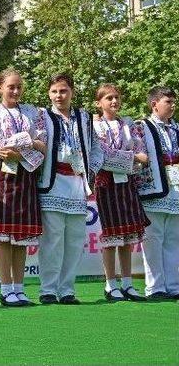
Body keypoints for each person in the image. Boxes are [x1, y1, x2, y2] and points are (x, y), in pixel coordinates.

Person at [0, 67, 46, 307]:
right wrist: (27, 141)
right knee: (3, 237)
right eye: (11, 86)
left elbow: (42, 142)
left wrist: (23, 147)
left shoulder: (32, 112)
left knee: (21, 237)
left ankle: (19, 288)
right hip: (1, 177)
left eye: (19, 86)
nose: (16, 91)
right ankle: (5, 289)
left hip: (26, 175)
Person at [37, 74, 103, 305]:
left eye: (63, 91)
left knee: (75, 240)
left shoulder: (84, 117)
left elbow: (97, 148)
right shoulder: (42, 116)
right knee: (52, 239)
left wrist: (91, 170)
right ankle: (47, 289)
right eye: (54, 91)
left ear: (72, 92)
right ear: (48, 93)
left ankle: (67, 289)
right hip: (52, 182)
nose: (59, 96)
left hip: (76, 183)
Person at [93, 84, 149, 302]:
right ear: (99, 102)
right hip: (106, 184)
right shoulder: (95, 126)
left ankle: (127, 283)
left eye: (116, 97)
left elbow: (142, 154)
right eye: (109, 98)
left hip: (126, 183)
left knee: (127, 237)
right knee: (111, 236)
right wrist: (131, 157)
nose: (114, 101)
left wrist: (127, 157)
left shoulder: (128, 124)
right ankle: (110, 283)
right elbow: (103, 156)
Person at [134, 86, 179, 300]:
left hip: (176, 190)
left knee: (173, 240)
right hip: (153, 189)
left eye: (173, 102)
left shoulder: (177, 128)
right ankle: (155, 287)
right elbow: (137, 155)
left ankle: (173, 285)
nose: (172, 106)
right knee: (153, 240)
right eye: (168, 102)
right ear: (154, 104)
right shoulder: (141, 127)